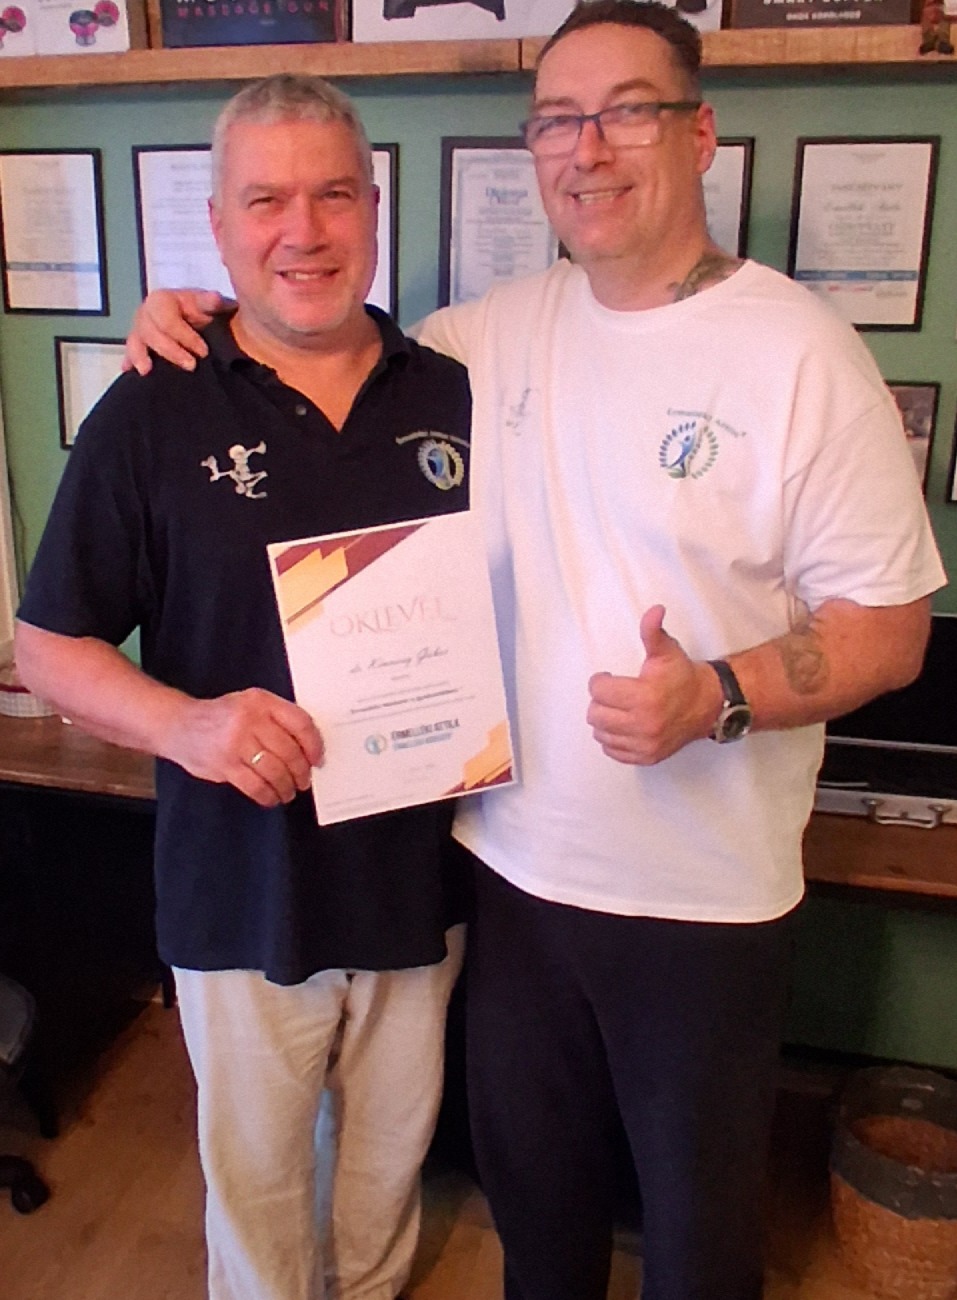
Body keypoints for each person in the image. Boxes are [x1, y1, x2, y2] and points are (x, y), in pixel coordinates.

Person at [122, 5, 946, 1298]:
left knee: (695, 1243)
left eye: (627, 111)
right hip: (504, 876)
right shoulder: (479, 338)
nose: (588, 147)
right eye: (558, 119)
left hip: (702, 901)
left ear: (699, 134)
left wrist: (718, 694)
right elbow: (316, 332)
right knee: (538, 1220)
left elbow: (889, 633)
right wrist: (196, 318)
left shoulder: (801, 353)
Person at [15, 74, 474, 1300]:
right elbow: (47, 646)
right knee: (260, 1204)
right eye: (265, 200)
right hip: (239, 891)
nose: (302, 230)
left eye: (333, 195)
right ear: (217, 227)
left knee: (386, 1182)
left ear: (373, 207)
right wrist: (191, 724)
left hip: (422, 882)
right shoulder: (151, 408)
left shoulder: (457, 391)